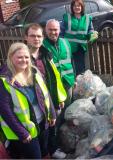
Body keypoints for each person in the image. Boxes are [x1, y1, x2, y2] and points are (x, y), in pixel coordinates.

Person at [0, 42, 56, 158]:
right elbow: (5, 112)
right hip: (25, 130)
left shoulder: (34, 72)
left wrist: (52, 113)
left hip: (42, 122)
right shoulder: (4, 80)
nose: (23, 60)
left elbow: (46, 93)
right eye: (19, 57)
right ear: (11, 57)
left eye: (26, 57)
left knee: (45, 152)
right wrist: (22, 133)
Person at [24, 23, 67, 158]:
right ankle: (44, 153)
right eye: (32, 36)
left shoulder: (46, 54)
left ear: (42, 38)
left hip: (50, 98)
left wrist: (58, 97)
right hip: (34, 103)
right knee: (41, 130)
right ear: (26, 37)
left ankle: (52, 150)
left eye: (39, 36)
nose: (36, 39)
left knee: (52, 127)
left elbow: (55, 77)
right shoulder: (22, 57)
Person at [43, 19, 75, 107]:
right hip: (53, 85)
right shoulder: (42, 46)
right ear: (46, 30)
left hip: (68, 81)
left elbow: (71, 62)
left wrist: (74, 80)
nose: (53, 32)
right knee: (56, 110)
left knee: (68, 107)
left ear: (59, 30)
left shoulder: (66, 42)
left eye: (55, 29)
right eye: (50, 29)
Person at [61, 0, 98, 75]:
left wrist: (92, 35)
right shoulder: (67, 17)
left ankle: (79, 83)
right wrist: (60, 43)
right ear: (72, 7)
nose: (76, 7)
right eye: (75, 6)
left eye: (79, 5)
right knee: (68, 67)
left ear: (82, 7)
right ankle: (71, 83)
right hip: (68, 47)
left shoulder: (87, 18)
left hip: (81, 48)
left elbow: (90, 29)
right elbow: (61, 31)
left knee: (80, 68)